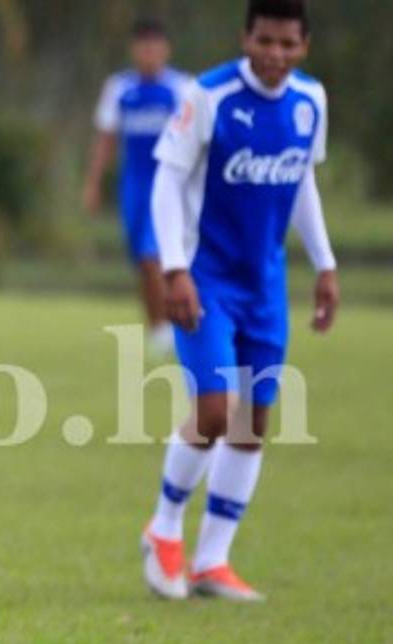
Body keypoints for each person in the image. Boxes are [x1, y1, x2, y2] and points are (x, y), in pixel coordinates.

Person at [140, 0, 339, 601]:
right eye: (265, 41)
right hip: (205, 278)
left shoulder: (311, 101)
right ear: (246, 39)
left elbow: (302, 180)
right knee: (214, 411)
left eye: (288, 44)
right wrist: (174, 268)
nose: (276, 54)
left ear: (304, 46)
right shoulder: (210, 95)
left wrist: (325, 263)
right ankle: (164, 529)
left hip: (265, 285)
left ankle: (212, 560)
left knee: (252, 422)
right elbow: (167, 180)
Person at [84, 17, 192, 358]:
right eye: (143, 47)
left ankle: (168, 329)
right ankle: (157, 326)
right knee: (143, 263)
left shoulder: (182, 88)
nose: (149, 53)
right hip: (134, 186)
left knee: (154, 257)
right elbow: (106, 138)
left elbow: (199, 140)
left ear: (166, 49)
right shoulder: (119, 88)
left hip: (170, 186)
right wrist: (93, 183)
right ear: (134, 50)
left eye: (154, 47)